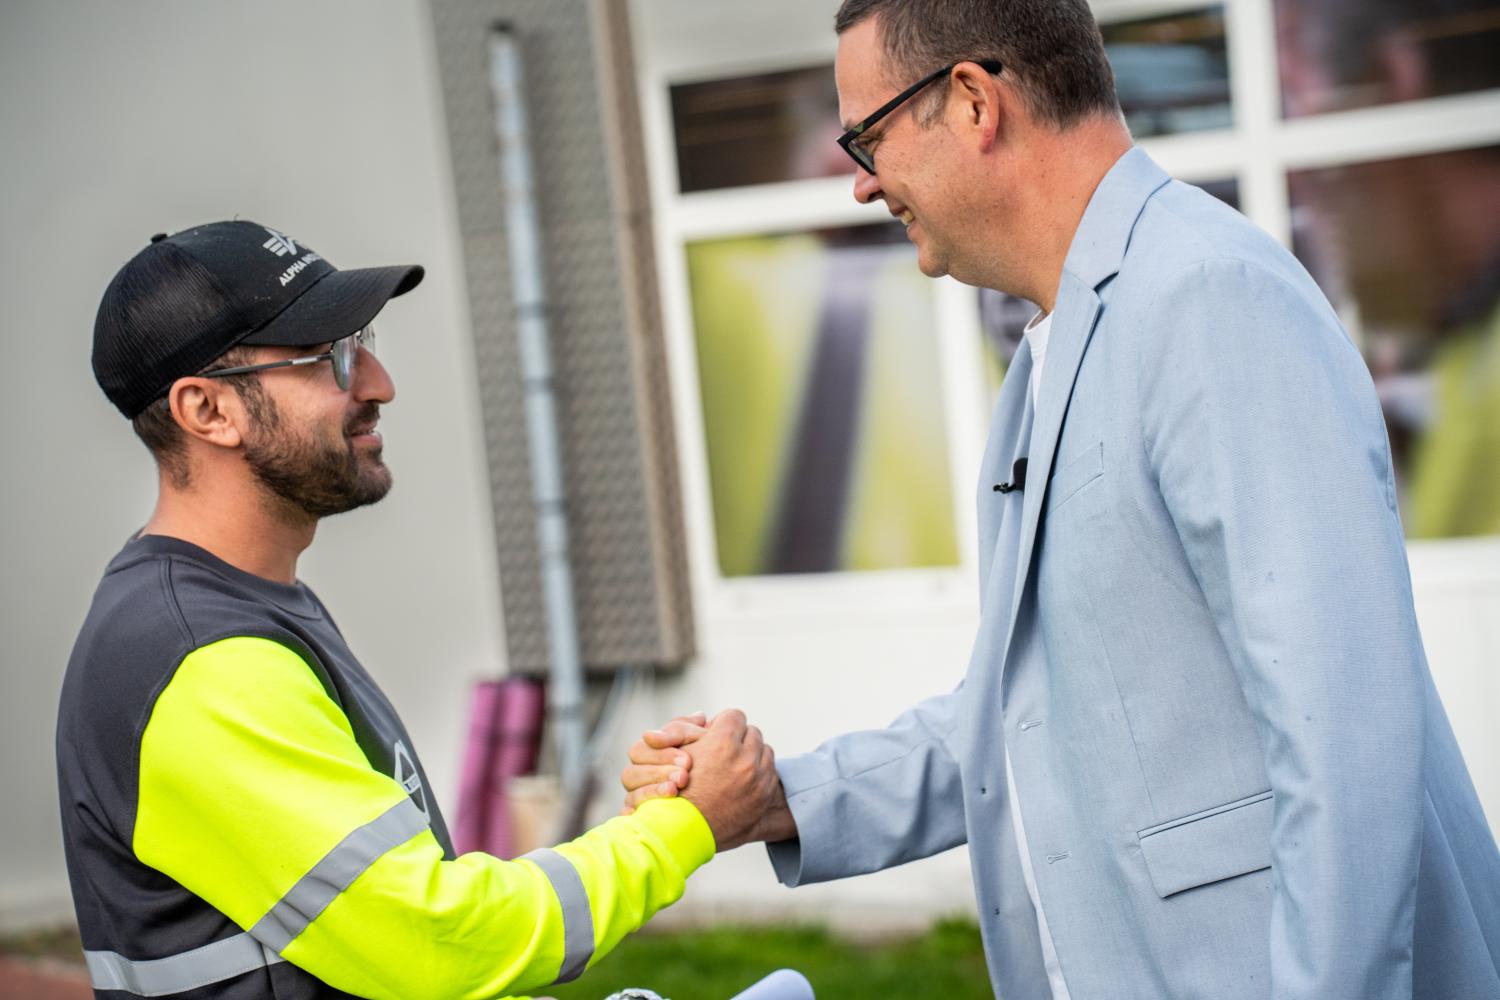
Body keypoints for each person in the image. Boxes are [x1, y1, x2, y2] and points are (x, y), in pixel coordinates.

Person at [623, 1, 1500, 997]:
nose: (863, 183)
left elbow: (1345, 746)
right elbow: (1034, 717)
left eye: (868, 136)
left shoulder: (1208, 299)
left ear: (970, 103)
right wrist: (782, 799)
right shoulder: (1051, 356)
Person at [58, 220, 780, 999]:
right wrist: (686, 827)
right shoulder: (203, 662)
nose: (377, 383)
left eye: (361, 340)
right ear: (207, 412)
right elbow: (444, 944)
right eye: (330, 356)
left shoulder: (247, 609)